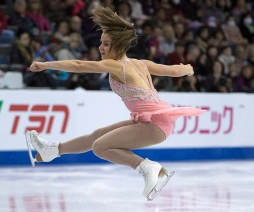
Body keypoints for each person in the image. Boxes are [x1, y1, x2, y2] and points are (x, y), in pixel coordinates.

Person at [27, 7, 205, 200]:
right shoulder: (142, 63)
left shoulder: (116, 65)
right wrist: (187, 69)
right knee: (97, 136)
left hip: (154, 124)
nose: (101, 48)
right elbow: (174, 71)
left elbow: (79, 66)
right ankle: (51, 151)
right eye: (101, 43)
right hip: (152, 121)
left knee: (100, 146)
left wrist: (46, 65)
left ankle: (146, 167)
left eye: (106, 44)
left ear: (119, 46)